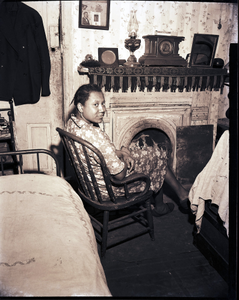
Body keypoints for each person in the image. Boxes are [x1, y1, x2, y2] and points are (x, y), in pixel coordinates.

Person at [66, 84, 189, 217]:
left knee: (153, 152)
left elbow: (100, 155)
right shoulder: (96, 138)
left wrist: (123, 153)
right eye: (95, 104)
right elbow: (120, 176)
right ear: (80, 106)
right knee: (157, 155)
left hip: (92, 185)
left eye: (103, 103)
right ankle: (168, 201)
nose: (102, 109)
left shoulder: (72, 124)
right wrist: (126, 156)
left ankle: (170, 200)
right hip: (110, 190)